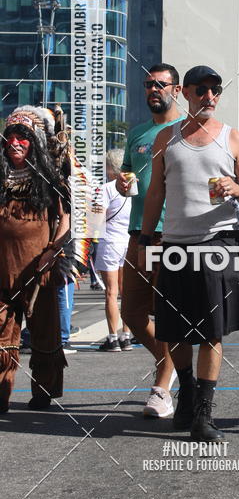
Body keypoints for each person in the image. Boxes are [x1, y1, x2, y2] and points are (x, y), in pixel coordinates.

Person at [140, 65, 239, 442]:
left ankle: (203, 415)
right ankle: (187, 388)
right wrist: (145, 237)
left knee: (211, 332)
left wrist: (236, 188)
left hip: (218, 243)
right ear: (186, 93)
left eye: (215, 90)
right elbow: (156, 192)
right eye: (202, 90)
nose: (209, 97)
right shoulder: (166, 140)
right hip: (174, 244)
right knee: (174, 329)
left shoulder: (233, 139)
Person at [118, 63, 182, 418]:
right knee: (131, 312)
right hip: (138, 233)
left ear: (176, 89)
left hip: (173, 234)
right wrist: (122, 184)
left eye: (160, 84)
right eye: (148, 84)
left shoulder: (186, 130)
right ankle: (169, 362)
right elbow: (126, 173)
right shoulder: (138, 133)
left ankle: (162, 385)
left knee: (170, 313)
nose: (153, 90)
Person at [0, 107, 71, 412]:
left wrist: (52, 250)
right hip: (3, 271)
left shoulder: (49, 178)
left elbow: (66, 220)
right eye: (10, 137)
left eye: (23, 138)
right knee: (2, 332)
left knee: (43, 332)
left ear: (34, 142)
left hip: (38, 271)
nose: (15, 142)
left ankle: (44, 391)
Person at [96, 149, 132, 352]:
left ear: (110, 168)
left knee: (111, 293)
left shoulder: (106, 189)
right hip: (128, 241)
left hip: (110, 241)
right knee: (126, 291)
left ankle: (112, 337)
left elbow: (97, 218)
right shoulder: (133, 188)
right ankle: (126, 335)